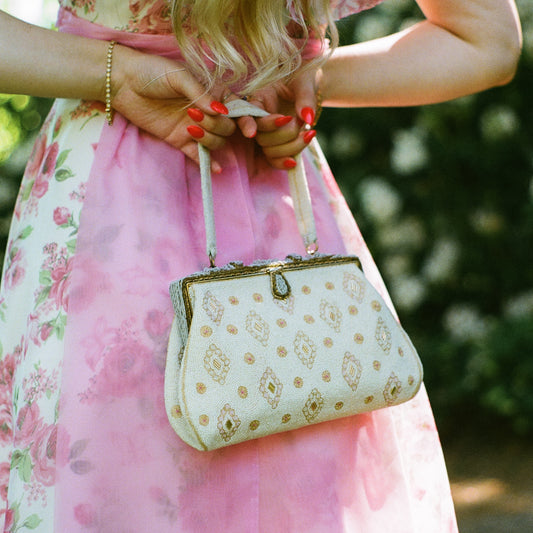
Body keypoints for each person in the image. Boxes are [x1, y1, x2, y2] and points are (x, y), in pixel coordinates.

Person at [0, 0, 521, 531]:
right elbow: (485, 41)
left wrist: (115, 71)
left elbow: (486, 44)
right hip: (280, 225)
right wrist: (306, 77)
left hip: (107, 214)